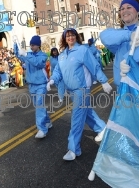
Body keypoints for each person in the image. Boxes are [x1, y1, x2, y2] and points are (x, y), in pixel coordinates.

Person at [47, 28, 112, 161]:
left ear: (76, 37)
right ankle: (102, 128)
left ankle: (73, 149)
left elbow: (94, 66)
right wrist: (52, 79)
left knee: (76, 119)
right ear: (64, 38)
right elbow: (58, 71)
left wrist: (104, 81)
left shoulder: (82, 50)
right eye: (68, 36)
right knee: (86, 112)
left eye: (72, 35)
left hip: (81, 90)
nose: (70, 38)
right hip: (71, 90)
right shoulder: (62, 55)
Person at [14, 35, 52, 138]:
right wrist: (15, 44)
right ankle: (48, 121)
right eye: (30, 45)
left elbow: (37, 63)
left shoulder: (43, 56)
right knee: (39, 105)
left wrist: (26, 54)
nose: (31, 47)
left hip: (41, 84)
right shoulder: (29, 54)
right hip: (31, 85)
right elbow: (18, 55)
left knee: (39, 105)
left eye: (33, 45)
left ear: (38, 45)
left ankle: (42, 129)